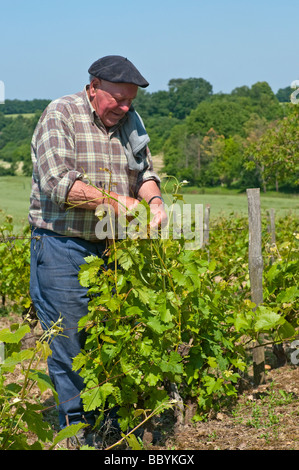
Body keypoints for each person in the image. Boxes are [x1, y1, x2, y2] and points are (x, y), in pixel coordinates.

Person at [28, 55, 166, 444]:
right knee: (72, 345)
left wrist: (153, 201)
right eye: (118, 99)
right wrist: (116, 202)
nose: (124, 107)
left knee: (109, 338)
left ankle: (109, 429)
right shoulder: (61, 115)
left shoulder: (129, 124)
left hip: (113, 249)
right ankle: (78, 434)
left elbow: (145, 173)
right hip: (62, 246)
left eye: (130, 100)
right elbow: (59, 183)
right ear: (93, 88)